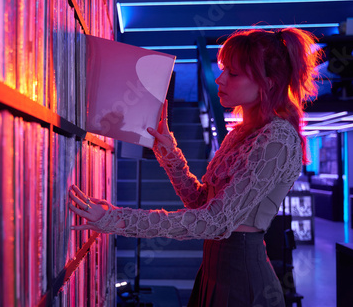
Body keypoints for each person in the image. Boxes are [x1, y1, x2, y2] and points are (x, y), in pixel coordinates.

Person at [68, 27, 321, 306]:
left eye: (233, 74)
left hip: (243, 280)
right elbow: (201, 202)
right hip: (214, 271)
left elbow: (215, 222)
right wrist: (168, 152)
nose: (220, 78)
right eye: (223, 69)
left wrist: (116, 218)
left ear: (268, 83)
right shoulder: (240, 133)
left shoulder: (279, 138)